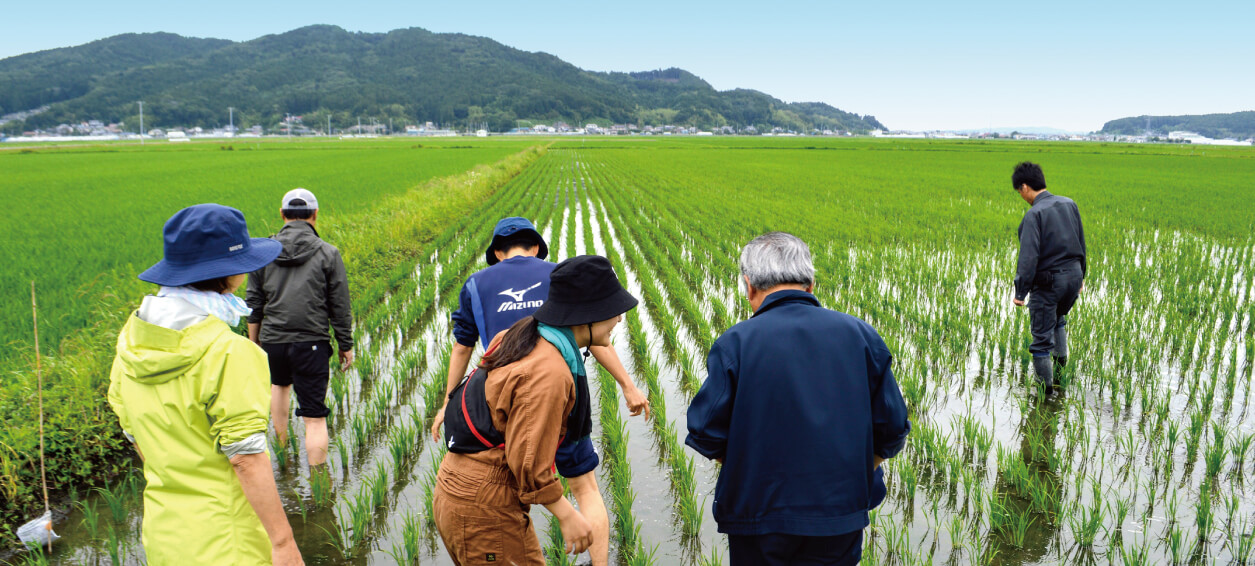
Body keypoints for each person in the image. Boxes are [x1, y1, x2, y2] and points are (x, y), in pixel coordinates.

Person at [430, 216, 648, 566]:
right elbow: (526, 459)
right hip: (483, 504)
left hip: (473, 492)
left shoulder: (529, 335)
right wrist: (565, 514)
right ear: (585, 315)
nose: (620, 319)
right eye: (613, 310)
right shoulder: (547, 372)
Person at [686, 232, 910, 566]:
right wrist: (857, 469)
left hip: (758, 521)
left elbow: (705, 431)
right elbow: (893, 428)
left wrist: (753, 468)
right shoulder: (861, 336)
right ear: (811, 284)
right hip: (839, 516)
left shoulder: (736, 344)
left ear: (749, 286)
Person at [107, 204, 303, 565]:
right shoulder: (229, 352)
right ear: (229, 274)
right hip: (228, 540)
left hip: (165, 534)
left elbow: (136, 437)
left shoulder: (130, 345)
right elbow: (245, 458)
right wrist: (283, 543)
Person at [246, 188, 354, 469]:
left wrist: (254, 343)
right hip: (312, 343)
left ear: (282, 215)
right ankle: (319, 483)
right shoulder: (328, 253)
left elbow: (254, 302)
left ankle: (282, 450)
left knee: (279, 387)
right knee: (315, 417)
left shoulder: (262, 254)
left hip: (273, 340)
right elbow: (339, 304)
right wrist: (345, 344)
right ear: (315, 216)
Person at [1011, 162, 1086, 395]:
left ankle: (1045, 397)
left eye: (1019, 192)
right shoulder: (1069, 203)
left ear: (1024, 187)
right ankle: (1060, 383)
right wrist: (1081, 276)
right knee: (1059, 320)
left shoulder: (1035, 214)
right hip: (1073, 277)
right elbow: (1081, 242)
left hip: (1049, 282)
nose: (1021, 197)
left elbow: (1028, 256)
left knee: (1041, 341)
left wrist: (1020, 292)